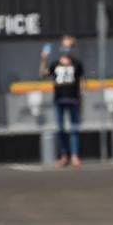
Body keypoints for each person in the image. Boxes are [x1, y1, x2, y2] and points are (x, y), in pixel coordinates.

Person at [40, 37, 84, 167]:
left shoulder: (77, 64)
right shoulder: (55, 64)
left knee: (74, 129)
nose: (66, 49)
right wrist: (43, 58)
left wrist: (82, 102)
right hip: (59, 99)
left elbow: (81, 83)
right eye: (64, 46)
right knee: (60, 129)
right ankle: (64, 156)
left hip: (73, 99)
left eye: (69, 46)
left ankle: (75, 156)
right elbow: (42, 73)